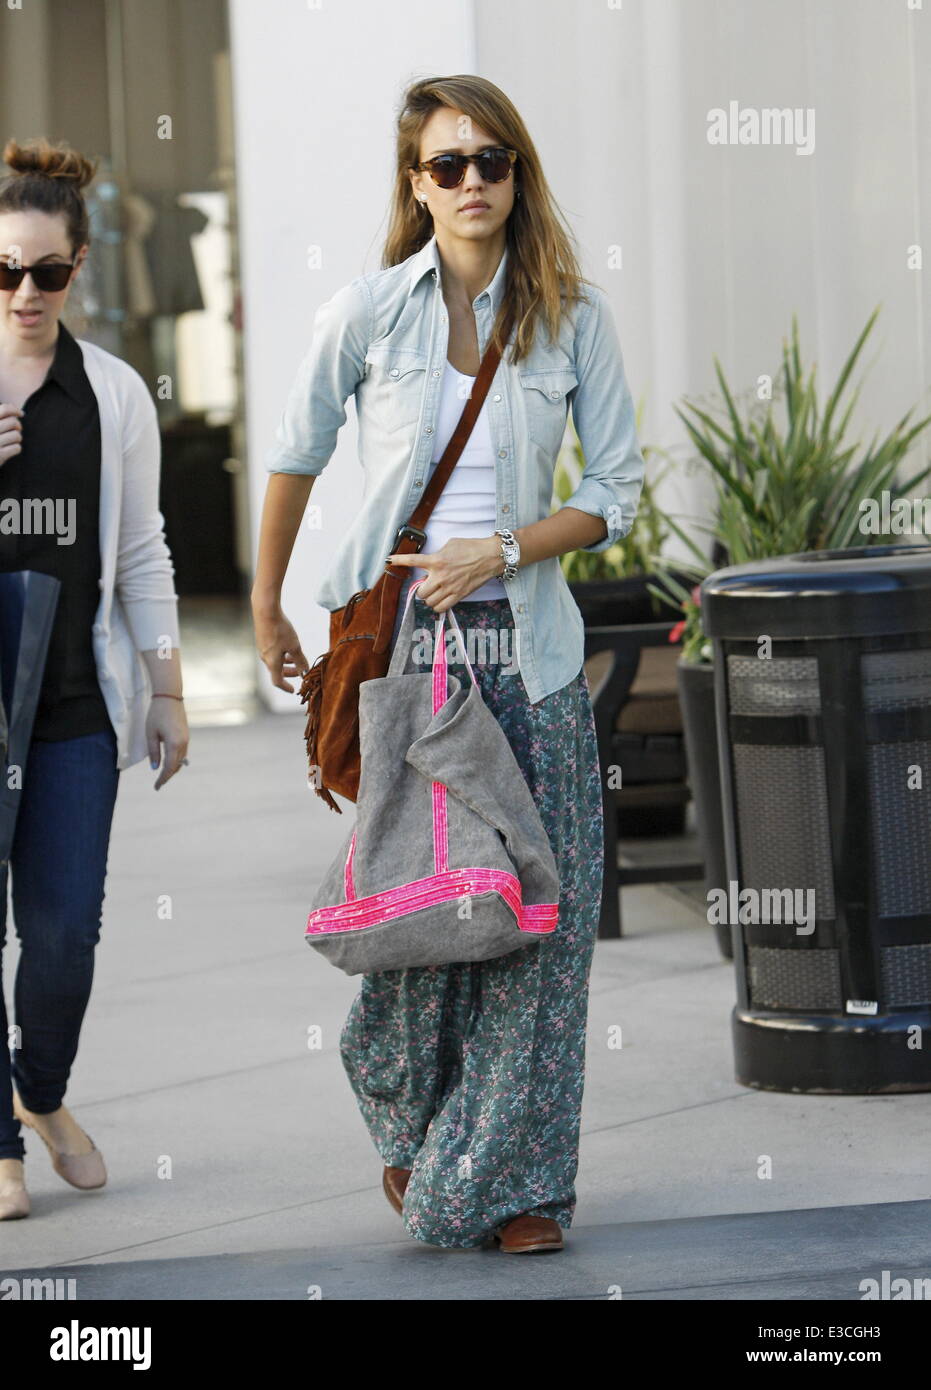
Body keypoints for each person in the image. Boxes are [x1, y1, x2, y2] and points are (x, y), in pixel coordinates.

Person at [252, 75, 645, 1252]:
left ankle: (513, 1188)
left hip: (530, 656)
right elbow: (294, 455)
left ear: (518, 176)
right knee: (424, 924)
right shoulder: (370, 313)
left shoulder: (575, 317)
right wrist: (268, 603)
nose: (472, 182)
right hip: (411, 664)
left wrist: (506, 548)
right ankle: (407, 1114)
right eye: (447, 164)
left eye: (493, 161)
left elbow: (614, 494)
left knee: (542, 930)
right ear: (415, 185)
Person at [0, 138, 188, 1221]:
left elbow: (147, 549)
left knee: (65, 933)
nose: (26, 293)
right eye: (5, 271)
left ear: (79, 269)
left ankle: (41, 1091)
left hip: (72, 702)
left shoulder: (111, 393)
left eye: (48, 272)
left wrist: (165, 690)